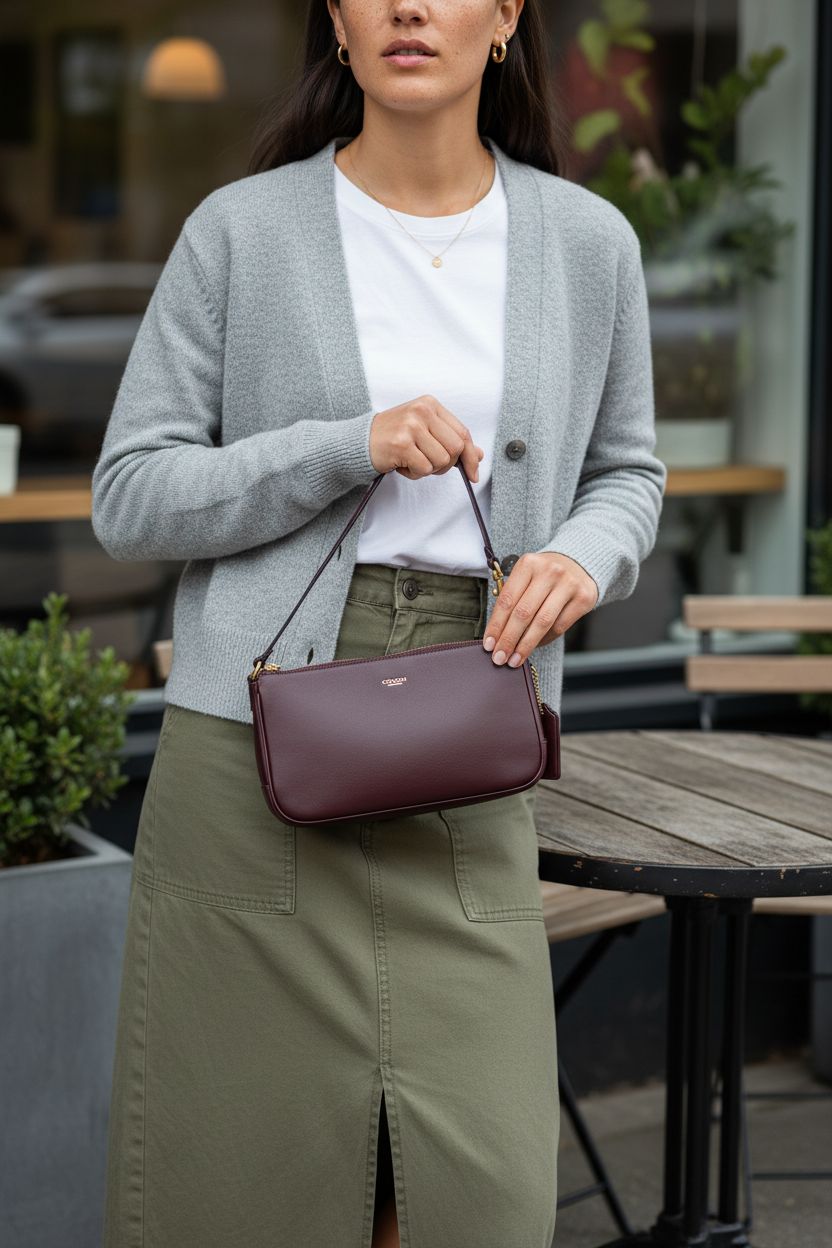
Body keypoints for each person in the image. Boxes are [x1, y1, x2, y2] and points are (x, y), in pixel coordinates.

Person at [93, 2, 666, 1246]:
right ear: (337, 25)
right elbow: (129, 496)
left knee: (487, 1197)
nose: (411, 5)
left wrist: (580, 553)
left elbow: (629, 472)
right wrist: (339, 448)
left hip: (473, 737)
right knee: (235, 1187)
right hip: (252, 763)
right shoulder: (240, 233)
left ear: (505, 17)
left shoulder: (585, 242)